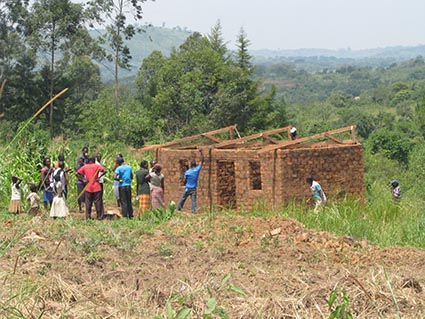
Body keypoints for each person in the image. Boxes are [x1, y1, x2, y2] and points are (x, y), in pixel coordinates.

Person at [77, 156, 105, 220]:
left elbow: (77, 173)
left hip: (88, 186)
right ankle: (99, 216)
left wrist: (83, 179)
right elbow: (104, 171)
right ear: (94, 160)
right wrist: (99, 177)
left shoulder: (85, 166)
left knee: (88, 202)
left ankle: (88, 216)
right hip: (96, 186)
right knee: (98, 202)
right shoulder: (97, 166)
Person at [177, 149, 204, 213]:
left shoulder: (187, 172)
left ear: (191, 165)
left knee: (183, 198)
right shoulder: (197, 170)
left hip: (187, 187)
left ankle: (178, 209)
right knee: (193, 201)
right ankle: (193, 211)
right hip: (193, 188)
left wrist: (185, 182)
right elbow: (202, 161)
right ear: (195, 165)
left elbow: (184, 180)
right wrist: (201, 153)